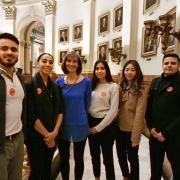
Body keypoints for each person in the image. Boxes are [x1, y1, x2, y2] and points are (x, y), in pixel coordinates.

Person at [26, 53, 64, 180]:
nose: (48, 64)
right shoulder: (30, 85)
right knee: (37, 171)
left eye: (50, 62)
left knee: (47, 169)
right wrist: (48, 135)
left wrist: (55, 133)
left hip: (53, 136)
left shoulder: (56, 87)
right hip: (36, 137)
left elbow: (60, 111)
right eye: (44, 61)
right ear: (38, 63)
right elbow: (31, 115)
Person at [56, 51, 91, 180]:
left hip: (80, 124)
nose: (71, 64)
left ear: (78, 64)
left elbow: (87, 104)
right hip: (62, 125)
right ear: (65, 63)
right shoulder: (59, 81)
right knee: (64, 159)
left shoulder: (87, 81)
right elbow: (57, 105)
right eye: (68, 61)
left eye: (74, 61)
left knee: (78, 158)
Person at [146, 53, 180, 180]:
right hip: (155, 135)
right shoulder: (155, 82)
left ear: (178, 65)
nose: (169, 65)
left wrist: (165, 133)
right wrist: (151, 129)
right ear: (162, 65)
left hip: (175, 136)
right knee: (155, 171)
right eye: (166, 63)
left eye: (173, 63)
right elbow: (148, 109)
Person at [116, 60, 148, 180]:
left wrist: (136, 137)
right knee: (120, 156)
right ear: (123, 71)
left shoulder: (141, 89)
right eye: (127, 70)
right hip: (119, 128)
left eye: (132, 70)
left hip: (131, 130)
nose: (129, 72)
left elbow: (140, 115)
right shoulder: (121, 87)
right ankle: (125, 176)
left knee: (133, 158)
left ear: (137, 72)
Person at [0, 32, 25, 180]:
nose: (9, 52)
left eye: (14, 49)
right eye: (4, 48)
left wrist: (24, 137)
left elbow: (23, 108)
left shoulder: (19, 77)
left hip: (18, 138)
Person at [88, 60, 119, 180]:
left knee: (107, 158)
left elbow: (113, 111)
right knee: (94, 155)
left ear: (107, 70)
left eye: (102, 68)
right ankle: (97, 178)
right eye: (97, 68)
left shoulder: (113, 86)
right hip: (91, 122)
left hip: (107, 125)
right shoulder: (91, 85)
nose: (99, 71)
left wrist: (98, 128)